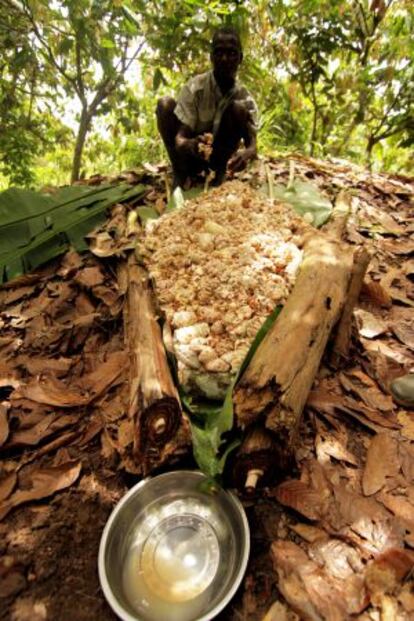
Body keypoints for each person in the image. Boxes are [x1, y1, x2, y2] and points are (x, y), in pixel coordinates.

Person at [156, 26, 258, 188]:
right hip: (190, 156)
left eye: (231, 53)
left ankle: (220, 172)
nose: (225, 59)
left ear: (240, 58)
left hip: (218, 157)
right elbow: (179, 139)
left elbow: (252, 145)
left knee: (239, 108)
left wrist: (247, 154)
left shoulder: (245, 98)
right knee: (164, 104)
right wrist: (189, 144)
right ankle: (180, 171)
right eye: (219, 52)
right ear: (211, 57)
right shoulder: (195, 88)